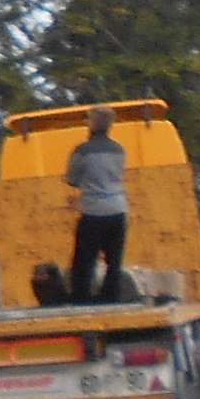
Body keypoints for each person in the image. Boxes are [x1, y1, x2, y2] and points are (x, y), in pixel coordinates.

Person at [63, 103, 130, 305]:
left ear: (92, 124)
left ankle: (82, 299)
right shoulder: (119, 150)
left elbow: (72, 179)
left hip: (93, 211)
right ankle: (111, 298)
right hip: (118, 209)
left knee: (84, 260)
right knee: (114, 261)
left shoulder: (82, 151)